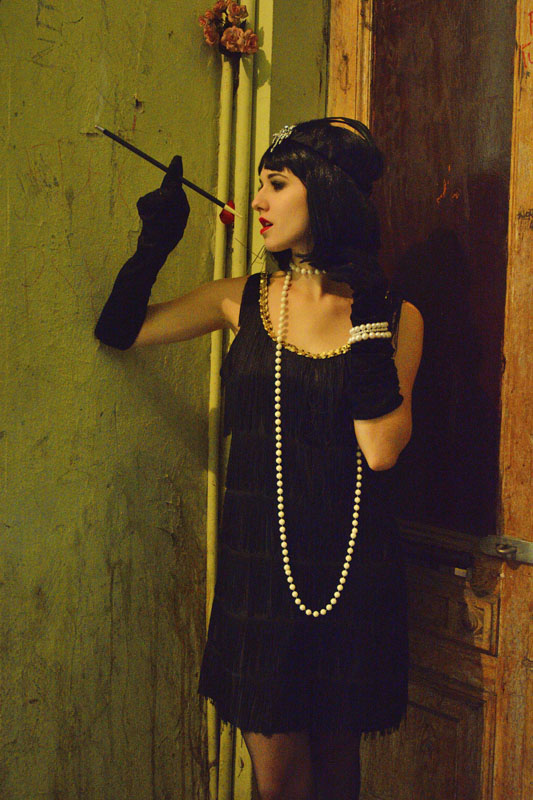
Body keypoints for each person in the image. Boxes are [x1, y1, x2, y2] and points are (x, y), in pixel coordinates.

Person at [95, 117, 423, 800]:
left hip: (352, 573)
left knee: (339, 776)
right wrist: (155, 244)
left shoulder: (395, 316)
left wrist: (366, 311)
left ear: (325, 192)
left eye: (276, 184)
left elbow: (380, 447)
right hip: (260, 576)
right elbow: (120, 331)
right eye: (259, 185)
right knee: (279, 783)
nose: (257, 201)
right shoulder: (240, 299)